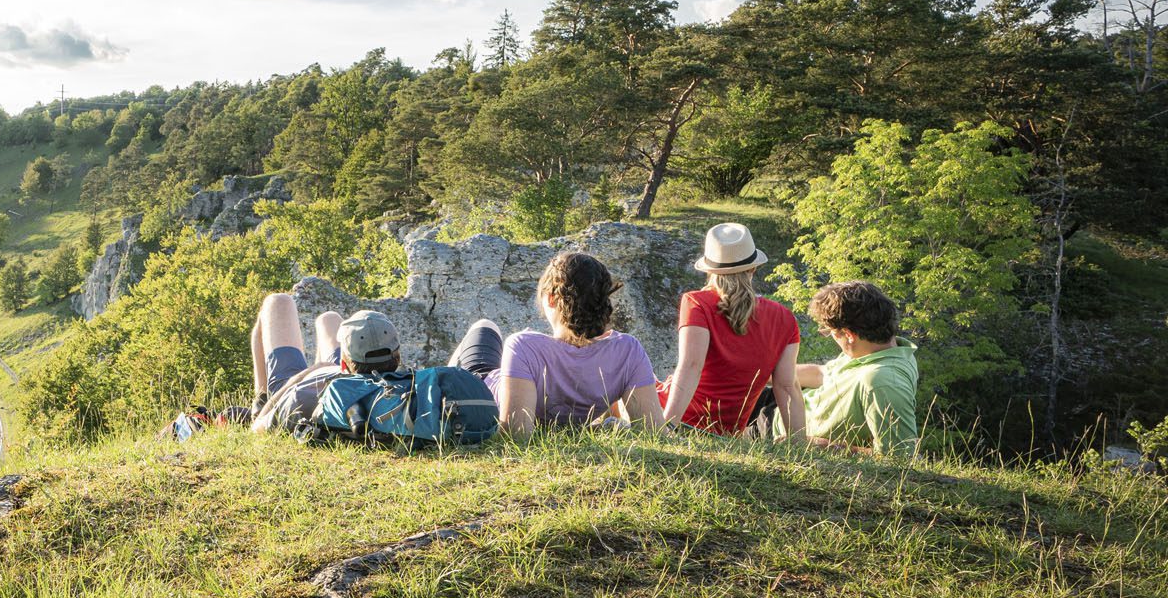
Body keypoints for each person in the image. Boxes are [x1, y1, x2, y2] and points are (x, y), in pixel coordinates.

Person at [452, 251, 665, 438]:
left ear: (552, 299)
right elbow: (653, 430)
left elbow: (516, 434)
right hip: (534, 394)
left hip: (480, 388)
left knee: (484, 325)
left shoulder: (524, 345)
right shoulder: (628, 350)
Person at [659, 223, 806, 439]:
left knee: (624, 371)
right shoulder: (784, 317)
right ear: (753, 268)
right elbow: (786, 386)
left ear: (709, 270)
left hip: (681, 420)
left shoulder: (696, 303)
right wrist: (799, 442)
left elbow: (691, 366)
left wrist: (667, 428)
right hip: (726, 433)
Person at [796, 280, 920, 457]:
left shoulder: (882, 381)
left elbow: (898, 455)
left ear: (848, 334)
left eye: (829, 331)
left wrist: (811, 443)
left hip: (777, 428)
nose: (830, 337)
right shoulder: (875, 349)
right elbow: (823, 374)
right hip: (783, 401)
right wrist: (765, 374)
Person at [249, 295, 400, 433]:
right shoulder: (409, 389)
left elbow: (256, 428)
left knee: (277, 301)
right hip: (341, 375)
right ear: (397, 359)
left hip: (301, 384)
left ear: (344, 364)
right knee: (329, 318)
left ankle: (261, 398)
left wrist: (305, 374)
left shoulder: (300, 398)